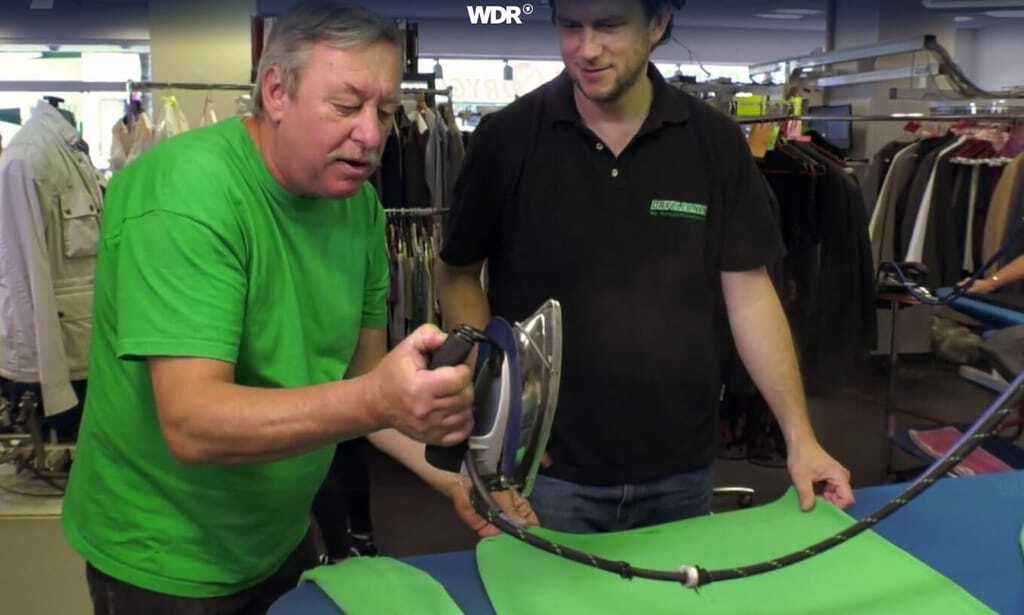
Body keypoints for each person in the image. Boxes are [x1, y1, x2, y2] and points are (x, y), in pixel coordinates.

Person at [62, 4, 489, 612]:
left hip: (281, 535)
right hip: (162, 559)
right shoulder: (186, 195)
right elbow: (192, 421)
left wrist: (457, 479)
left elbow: (362, 381)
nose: (372, 136)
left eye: (385, 112)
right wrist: (381, 398)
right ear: (277, 92)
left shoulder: (359, 209)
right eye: (346, 106)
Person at [439, 0, 855, 536]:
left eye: (609, 25)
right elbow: (458, 273)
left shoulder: (713, 142)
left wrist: (801, 438)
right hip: (547, 472)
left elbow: (750, 293)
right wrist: (493, 415)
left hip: (682, 467)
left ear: (657, 24)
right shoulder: (507, 138)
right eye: (570, 26)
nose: (586, 49)